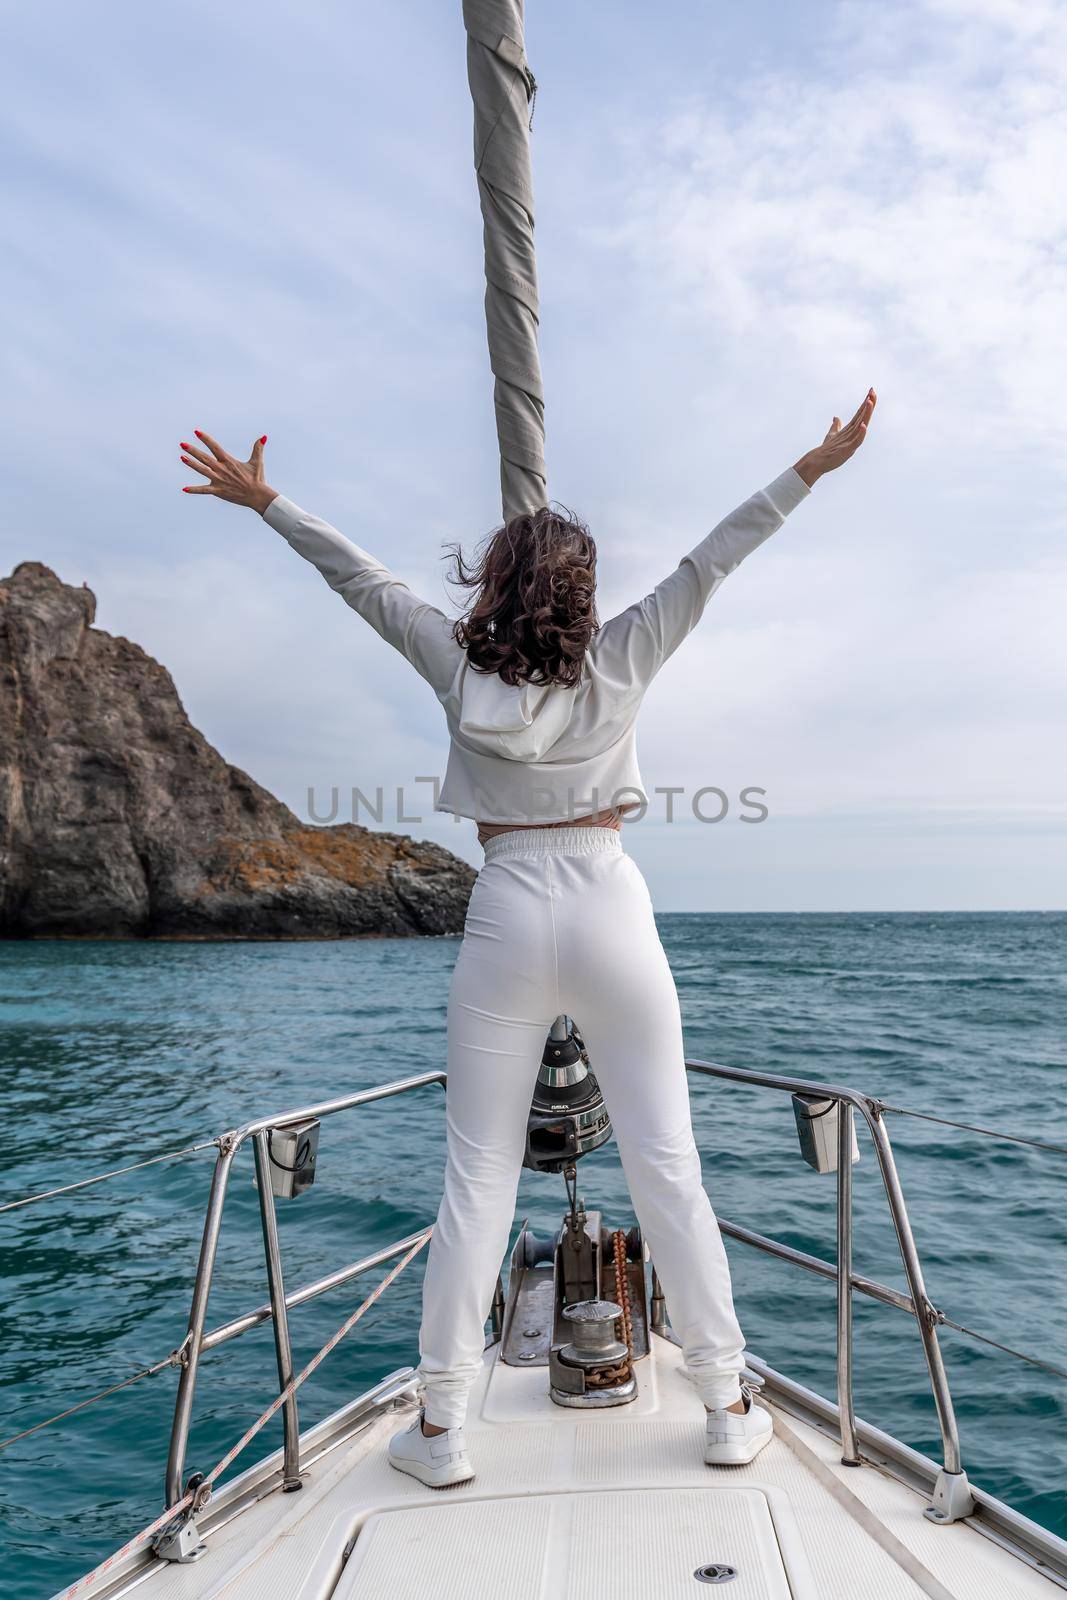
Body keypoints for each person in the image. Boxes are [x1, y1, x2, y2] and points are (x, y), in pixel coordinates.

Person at [179, 386, 876, 1487]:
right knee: (667, 1169)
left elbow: (359, 580)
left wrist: (270, 504)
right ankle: (725, 1404)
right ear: (584, 592)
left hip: (504, 903)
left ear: (493, 580)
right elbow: (712, 560)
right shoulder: (623, 657)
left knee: (474, 1181)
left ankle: (444, 1429)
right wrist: (808, 468)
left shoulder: (455, 671)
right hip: (607, 898)